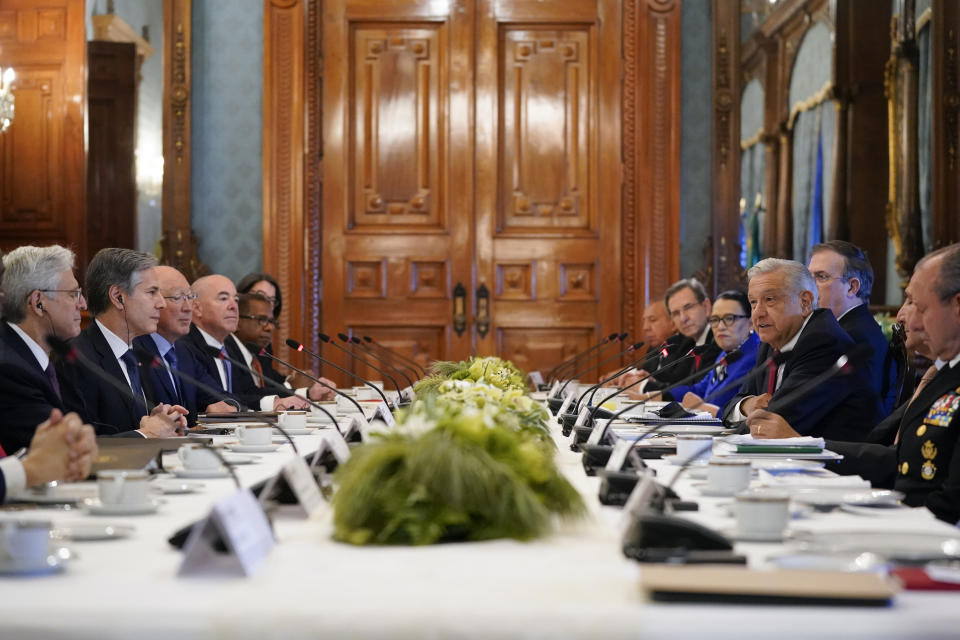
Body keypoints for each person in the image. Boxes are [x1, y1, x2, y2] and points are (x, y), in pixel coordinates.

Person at [749, 244, 960, 524]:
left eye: (918, 306)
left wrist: (803, 445)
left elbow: (945, 501)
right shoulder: (943, 374)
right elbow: (896, 459)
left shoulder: (837, 341)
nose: (904, 318)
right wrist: (804, 445)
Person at [721, 258, 880, 441]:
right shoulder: (771, 343)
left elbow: (771, 424)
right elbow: (731, 406)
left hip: (836, 464)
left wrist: (743, 419)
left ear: (805, 302)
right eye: (753, 302)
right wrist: (745, 406)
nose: (758, 313)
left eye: (769, 300)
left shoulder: (825, 345)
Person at [63, 248, 185, 437]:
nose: (161, 303)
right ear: (118, 297)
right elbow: (83, 444)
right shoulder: (76, 359)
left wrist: (158, 421)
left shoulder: (139, 351)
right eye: (152, 292)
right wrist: (146, 434)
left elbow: (131, 425)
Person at [182, 275, 315, 411]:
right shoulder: (186, 347)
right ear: (197, 308)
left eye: (236, 299)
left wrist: (303, 394)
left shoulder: (227, 348)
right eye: (223, 298)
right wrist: (276, 402)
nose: (234, 306)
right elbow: (215, 400)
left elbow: (245, 392)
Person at [132, 266, 238, 425]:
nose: (188, 308)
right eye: (177, 298)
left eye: (190, 297)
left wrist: (229, 406)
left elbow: (220, 396)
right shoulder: (136, 350)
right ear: (154, 301)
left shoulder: (184, 350)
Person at [809, 240, 896, 416]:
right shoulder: (855, 327)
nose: (809, 287)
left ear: (852, 287)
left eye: (821, 277)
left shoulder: (849, 337)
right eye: (808, 277)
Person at [654, 290, 761, 416]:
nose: (720, 326)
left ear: (750, 323)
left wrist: (702, 406)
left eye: (729, 318)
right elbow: (700, 389)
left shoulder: (756, 356)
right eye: (715, 319)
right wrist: (653, 395)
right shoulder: (726, 353)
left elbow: (735, 409)